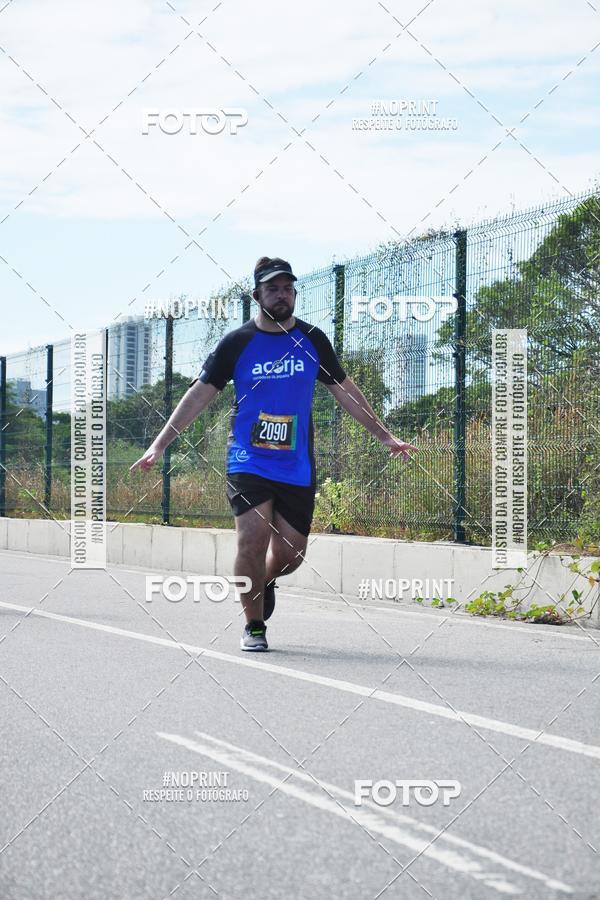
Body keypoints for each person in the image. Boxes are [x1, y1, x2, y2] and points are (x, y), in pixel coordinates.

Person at [130, 256, 418, 651]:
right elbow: (198, 394)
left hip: (296, 463)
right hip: (248, 458)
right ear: (257, 295)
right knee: (252, 539)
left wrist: (385, 437)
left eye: (287, 289)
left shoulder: (313, 340)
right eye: (273, 289)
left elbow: (346, 392)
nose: (282, 296)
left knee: (291, 554)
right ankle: (254, 626)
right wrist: (160, 443)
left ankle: (263, 583)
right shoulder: (237, 343)